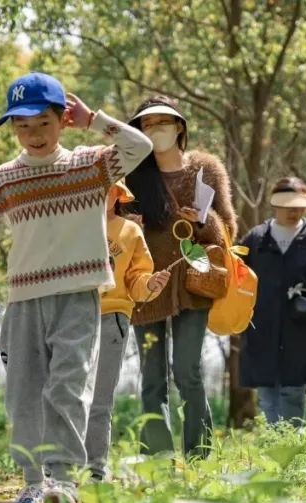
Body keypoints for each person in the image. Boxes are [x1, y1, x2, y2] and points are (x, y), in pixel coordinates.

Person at [0, 72, 152, 503]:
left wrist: (95, 120)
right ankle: (30, 484)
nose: (33, 135)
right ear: (11, 128)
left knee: (66, 388)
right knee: (24, 394)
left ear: (63, 120)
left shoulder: (91, 165)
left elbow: (140, 146)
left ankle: (62, 483)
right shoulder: (6, 178)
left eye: (43, 123)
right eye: (22, 126)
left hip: (78, 296)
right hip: (24, 300)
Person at [122, 95, 238, 457]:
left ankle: (199, 457)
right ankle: (157, 461)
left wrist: (204, 221)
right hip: (145, 285)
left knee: (187, 370)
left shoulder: (205, 169)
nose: (156, 129)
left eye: (164, 122)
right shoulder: (129, 176)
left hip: (194, 284)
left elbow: (229, 230)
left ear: (180, 127)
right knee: (151, 377)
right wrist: (127, 223)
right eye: (148, 124)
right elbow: (112, 232)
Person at [237, 177, 306, 426]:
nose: (294, 211)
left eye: (299, 205)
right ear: (275, 205)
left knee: (292, 393)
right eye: (288, 205)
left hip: (302, 331)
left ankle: (290, 453)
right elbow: (235, 279)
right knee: (267, 395)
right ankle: (276, 452)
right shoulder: (256, 239)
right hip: (262, 329)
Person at [86, 181, 171, 480]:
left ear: (118, 195)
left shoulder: (130, 232)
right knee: (65, 394)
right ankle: (58, 469)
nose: (101, 194)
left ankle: (95, 472)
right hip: (71, 317)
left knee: (100, 399)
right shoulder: (70, 224)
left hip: (113, 317)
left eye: (108, 189)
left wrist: (150, 285)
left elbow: (137, 279)